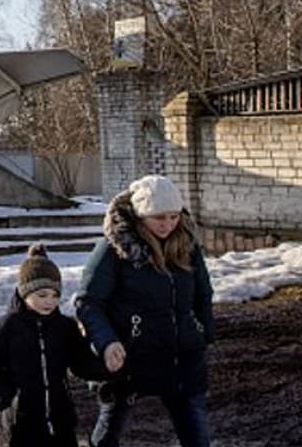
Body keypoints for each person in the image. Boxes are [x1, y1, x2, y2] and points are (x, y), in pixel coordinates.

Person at [74, 175, 214, 447]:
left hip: (182, 356)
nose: (168, 225)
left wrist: (203, 331)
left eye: (174, 216)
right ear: (140, 216)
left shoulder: (187, 243)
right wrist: (107, 342)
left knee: (197, 437)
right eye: (159, 217)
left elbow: (202, 293)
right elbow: (88, 302)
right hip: (130, 358)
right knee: (108, 434)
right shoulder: (114, 248)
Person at [0, 243, 102, 447]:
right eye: (42, 295)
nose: (49, 302)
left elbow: (81, 362)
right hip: (23, 418)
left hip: (61, 415)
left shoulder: (65, 327)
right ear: (25, 293)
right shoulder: (8, 326)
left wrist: (107, 367)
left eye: (55, 295)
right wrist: (6, 399)